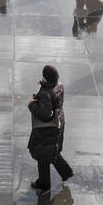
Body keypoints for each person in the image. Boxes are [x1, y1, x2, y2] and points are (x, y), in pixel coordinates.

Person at [27, 65, 72, 193]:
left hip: (47, 131)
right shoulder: (59, 85)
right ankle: (66, 172)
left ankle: (44, 184)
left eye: (43, 76)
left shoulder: (47, 93)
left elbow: (45, 114)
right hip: (59, 124)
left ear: (46, 78)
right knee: (53, 151)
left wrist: (31, 104)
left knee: (43, 156)